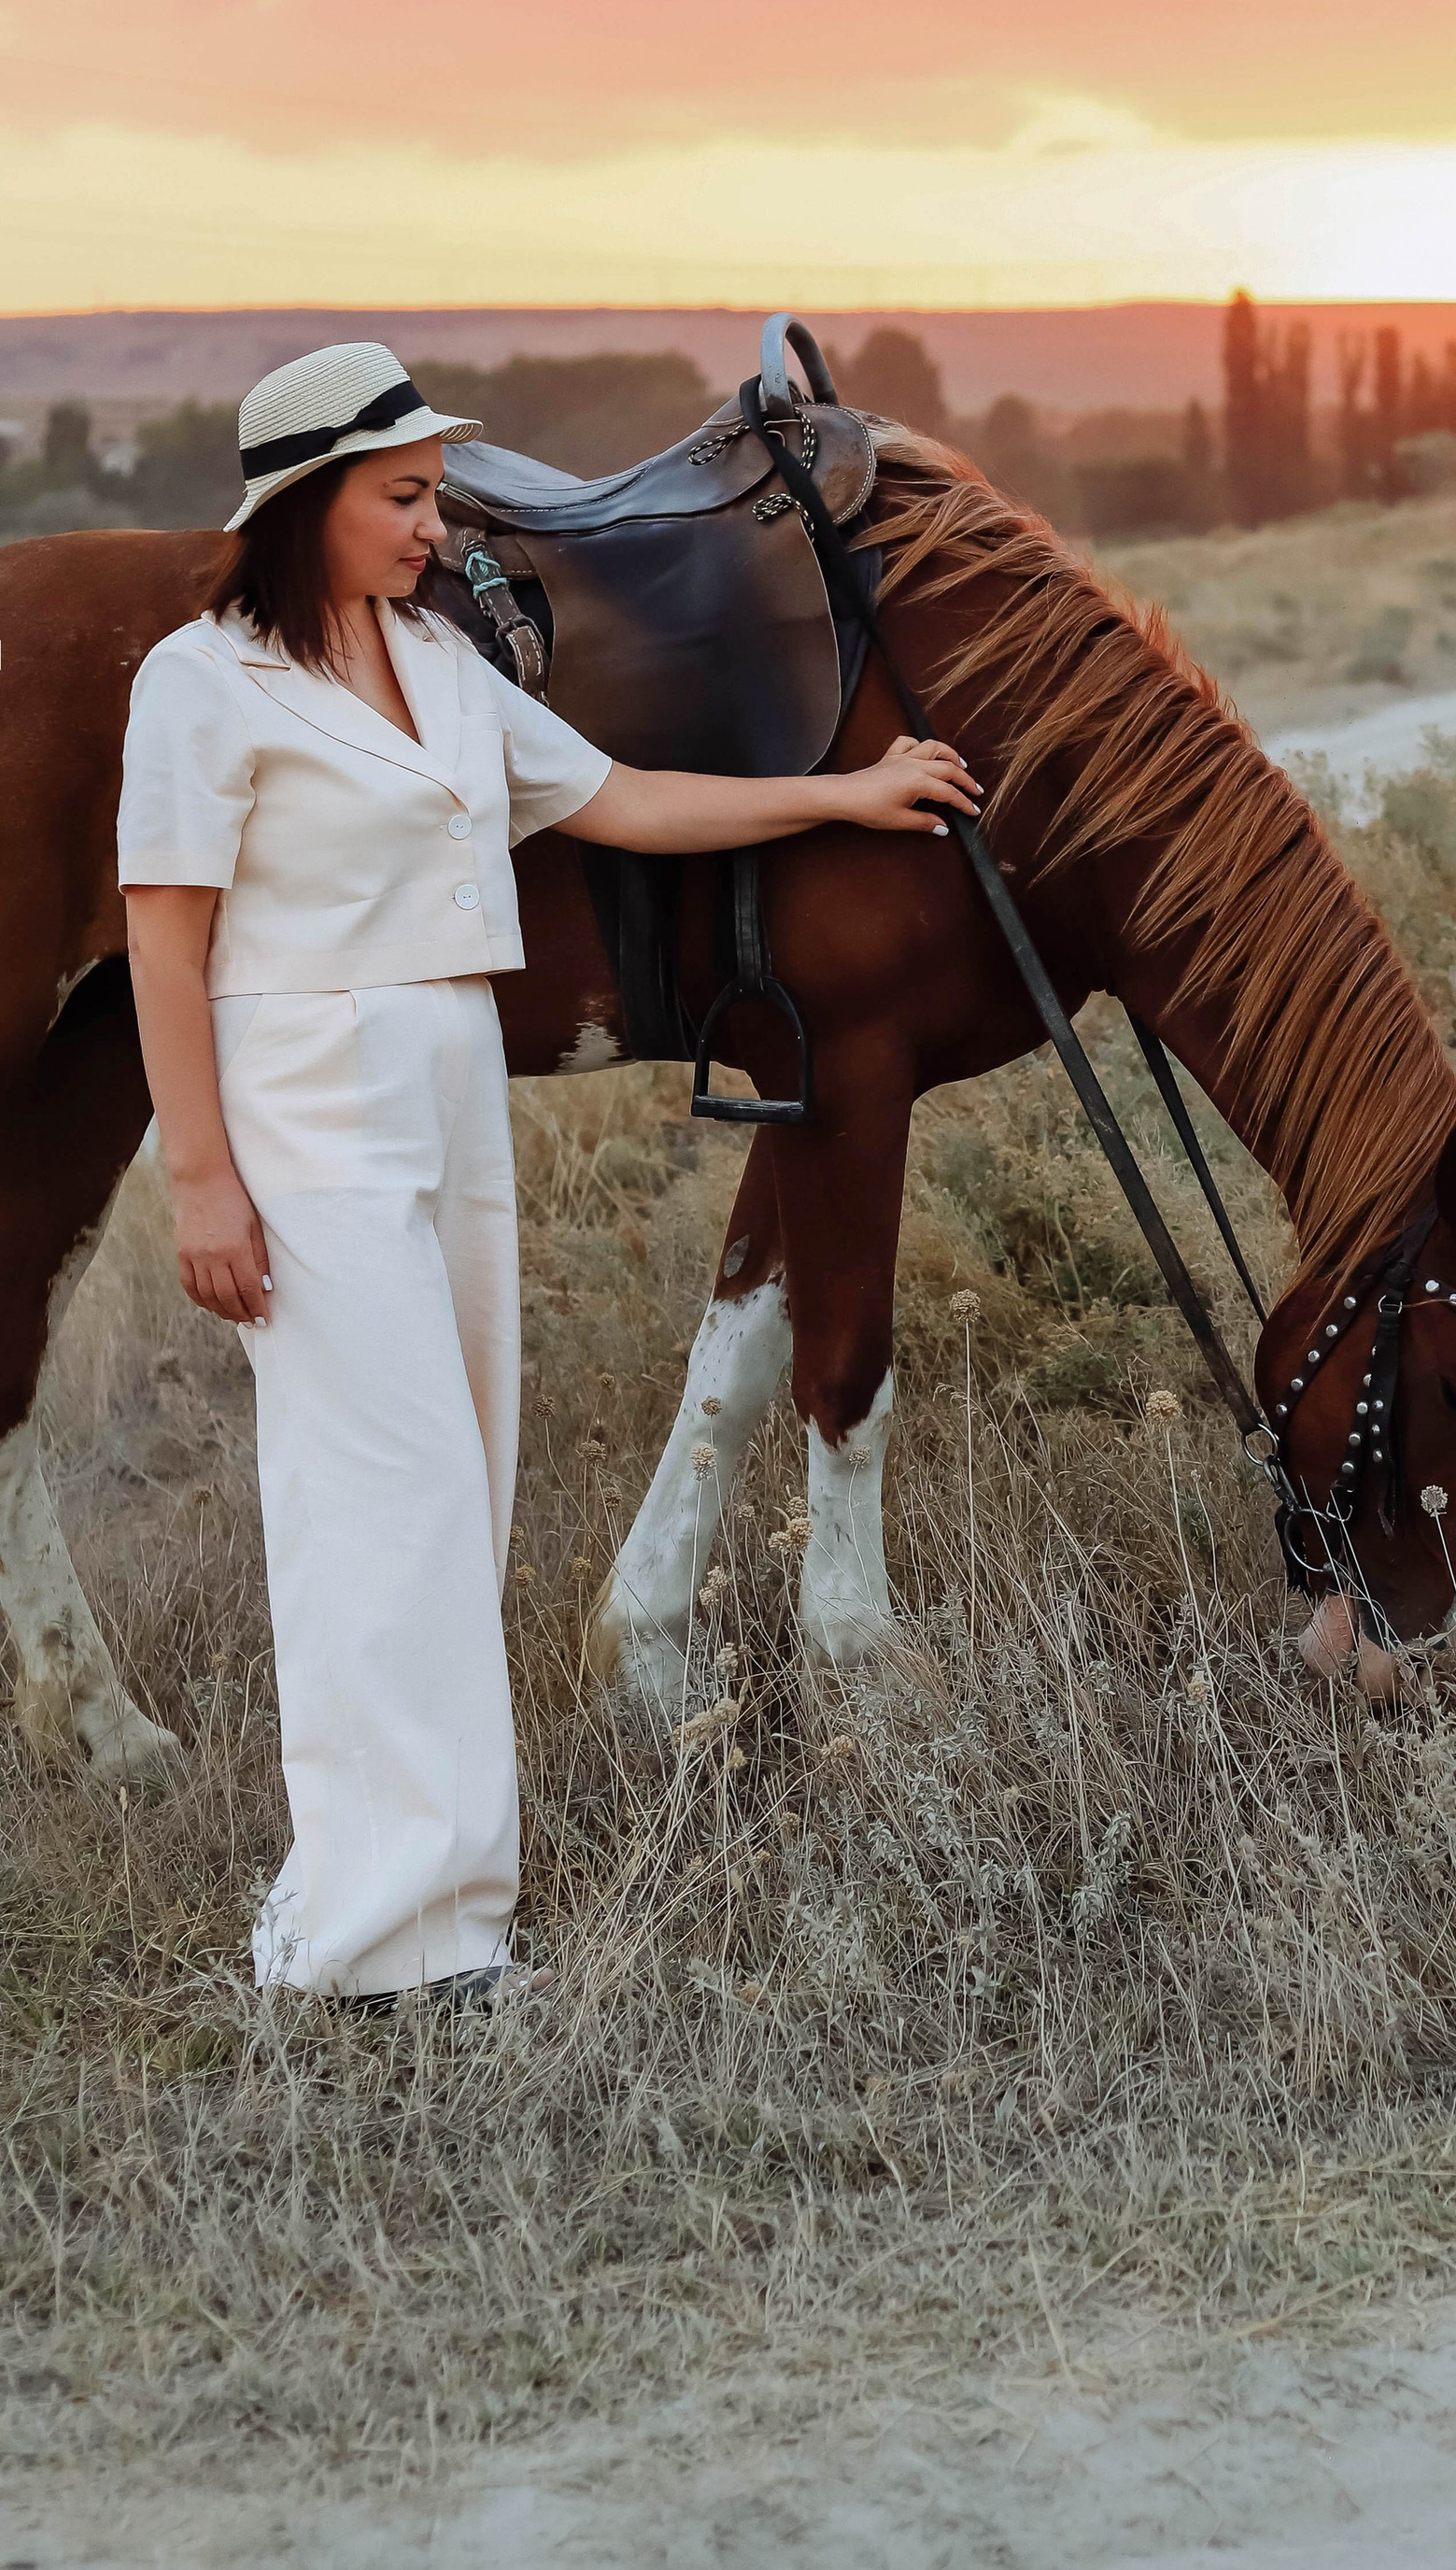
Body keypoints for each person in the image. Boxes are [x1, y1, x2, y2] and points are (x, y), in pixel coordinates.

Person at [119, 340, 977, 2009]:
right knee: (385, 1506)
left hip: (444, 1077)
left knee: (470, 1486)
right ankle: (378, 1940)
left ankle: (445, 1915)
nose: (436, 528)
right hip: (304, 1086)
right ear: (308, 507)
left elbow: (623, 800)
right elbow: (168, 936)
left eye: (432, 496)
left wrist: (846, 792)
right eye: (405, 498)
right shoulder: (199, 683)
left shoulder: (435, 663)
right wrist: (200, 1179)